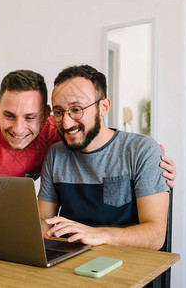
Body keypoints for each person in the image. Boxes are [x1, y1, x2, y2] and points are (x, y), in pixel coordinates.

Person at [0, 69, 177, 236]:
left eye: (30, 117)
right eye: (8, 115)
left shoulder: (63, 131)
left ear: (45, 116)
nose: (18, 129)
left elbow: (93, 133)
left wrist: (149, 160)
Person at [38, 65, 170, 250]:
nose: (66, 123)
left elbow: (155, 236)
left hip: (127, 263)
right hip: (70, 258)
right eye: (59, 112)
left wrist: (96, 234)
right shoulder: (55, 154)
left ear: (104, 107)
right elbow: (43, 221)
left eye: (77, 109)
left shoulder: (142, 150)